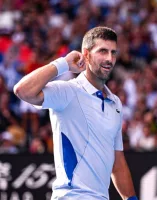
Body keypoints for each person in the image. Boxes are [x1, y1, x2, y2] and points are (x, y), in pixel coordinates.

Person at [14, 26, 138, 200]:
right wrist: (63, 64)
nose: (110, 59)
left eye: (113, 52)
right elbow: (23, 90)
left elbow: (117, 163)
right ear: (85, 54)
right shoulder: (68, 91)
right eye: (102, 51)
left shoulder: (115, 102)